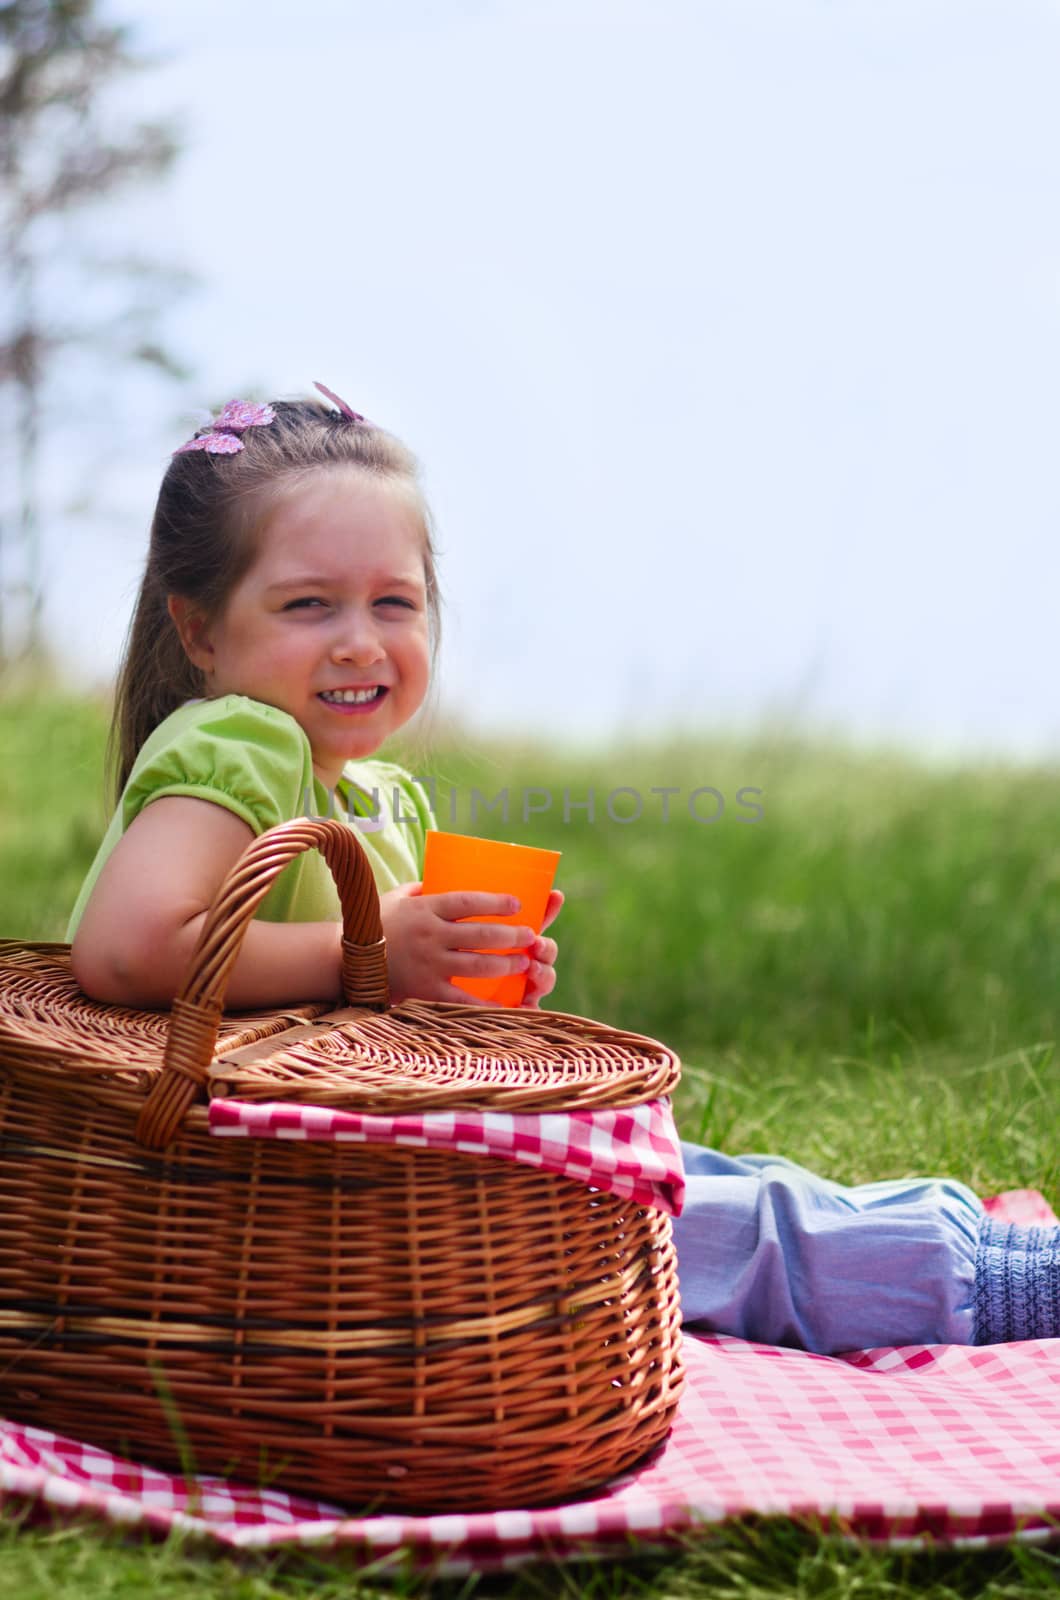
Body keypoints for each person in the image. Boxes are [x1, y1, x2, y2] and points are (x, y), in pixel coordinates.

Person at [68, 386, 1059, 1357]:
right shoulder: (237, 741)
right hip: (269, 1185)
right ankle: (978, 1282)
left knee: (668, 1159)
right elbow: (126, 950)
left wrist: (456, 992)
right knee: (642, 1210)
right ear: (200, 629)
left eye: (394, 602)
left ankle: (978, 1246)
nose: (359, 640)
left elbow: (355, 1013)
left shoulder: (376, 796)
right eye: (308, 604)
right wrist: (363, 952)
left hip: (358, 1154)